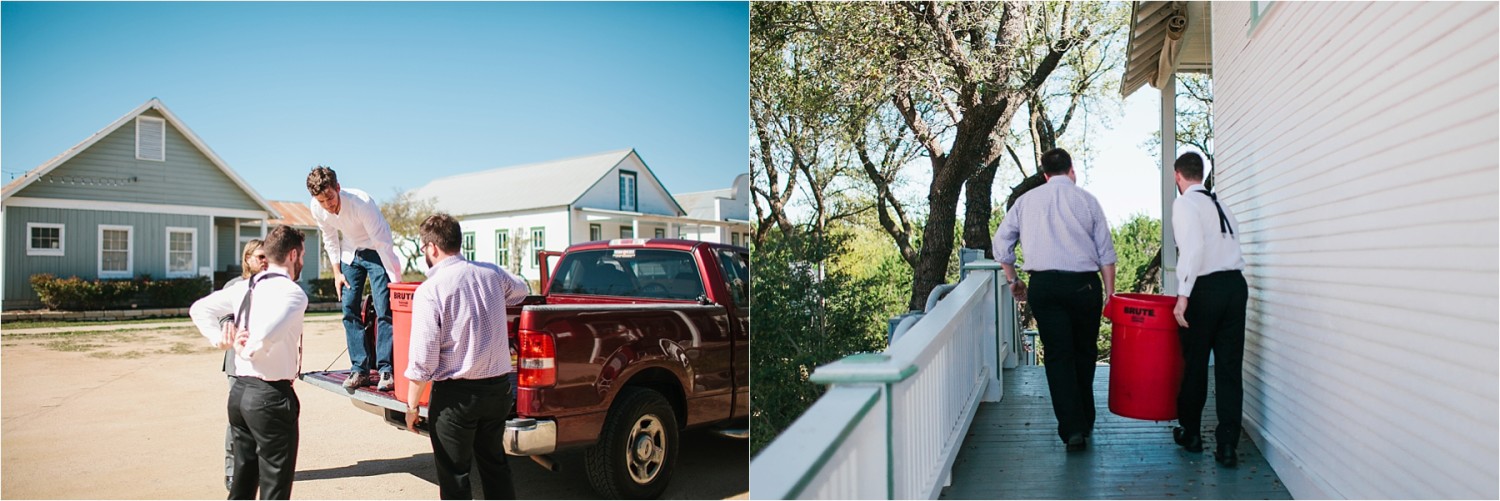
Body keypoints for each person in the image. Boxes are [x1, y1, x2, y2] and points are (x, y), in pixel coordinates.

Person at [991, 147, 1117, 452]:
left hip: (1044, 285)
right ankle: (1086, 420)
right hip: (1083, 287)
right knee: (1084, 353)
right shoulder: (1087, 201)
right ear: (1071, 170)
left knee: (1059, 356)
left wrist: (1013, 279)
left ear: (1044, 174)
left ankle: (1072, 428)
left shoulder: (1025, 201)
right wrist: (1110, 295)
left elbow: (1001, 243)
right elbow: (1106, 254)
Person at [404, 213, 528, 499]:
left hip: (456, 398)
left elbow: (423, 360)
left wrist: (412, 406)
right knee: (495, 466)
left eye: (424, 248)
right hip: (497, 389)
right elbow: (521, 290)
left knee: (455, 476)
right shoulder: (491, 274)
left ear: (432, 247)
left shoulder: (430, 290)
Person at [191, 225, 309, 499]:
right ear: (293, 255)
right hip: (270, 397)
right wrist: (247, 348)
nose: (302, 261)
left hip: (240, 395)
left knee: (242, 485)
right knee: (274, 489)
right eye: (302, 255)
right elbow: (270, 333)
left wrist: (220, 339)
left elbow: (198, 309)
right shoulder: (293, 293)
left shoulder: (244, 287)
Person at [1167, 151, 1248, 467]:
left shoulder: (1185, 204)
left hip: (1205, 290)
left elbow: (1192, 248)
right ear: (1201, 174)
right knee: (1229, 367)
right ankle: (1227, 445)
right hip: (1234, 287)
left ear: (1178, 176)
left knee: (1196, 362)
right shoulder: (1222, 205)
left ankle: (1192, 433)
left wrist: (1183, 294)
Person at [307, 166, 405, 392]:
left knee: (383, 309)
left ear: (338, 188)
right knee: (349, 308)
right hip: (350, 254)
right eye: (321, 201)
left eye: (330, 197)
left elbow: (383, 244)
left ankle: (386, 369)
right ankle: (359, 369)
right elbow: (330, 238)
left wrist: (396, 281)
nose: (328, 205)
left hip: (376, 252)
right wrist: (336, 273)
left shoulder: (362, 203)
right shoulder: (317, 207)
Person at [219, 239, 267, 491]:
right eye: (259, 256)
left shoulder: (273, 287)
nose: (264, 260)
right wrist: (228, 323)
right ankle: (232, 470)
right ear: (247, 258)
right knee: (237, 420)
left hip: (263, 365)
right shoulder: (234, 286)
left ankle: (259, 468)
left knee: (262, 419)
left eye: (266, 256)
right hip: (237, 365)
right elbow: (224, 312)